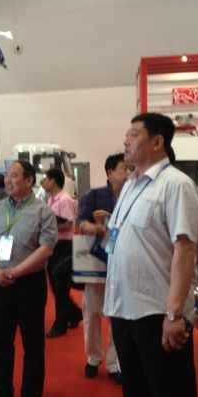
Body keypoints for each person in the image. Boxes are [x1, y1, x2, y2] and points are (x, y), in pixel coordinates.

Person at [104, 113, 198, 397]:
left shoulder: (176, 185)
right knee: (136, 390)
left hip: (157, 312)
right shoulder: (131, 185)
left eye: (134, 134)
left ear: (157, 142)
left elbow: (184, 249)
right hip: (124, 307)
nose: (125, 140)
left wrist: (174, 314)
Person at [0, 160, 57, 397]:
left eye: (14, 176)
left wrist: (17, 271)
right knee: (0, 340)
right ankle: (3, 393)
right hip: (0, 283)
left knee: (32, 343)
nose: (8, 180)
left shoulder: (42, 211)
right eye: (7, 175)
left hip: (29, 284)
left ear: (29, 180)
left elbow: (46, 248)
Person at [78, 153, 128, 382]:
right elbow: (81, 223)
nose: (128, 173)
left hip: (124, 261)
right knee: (92, 312)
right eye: (124, 169)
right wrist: (97, 228)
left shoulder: (132, 195)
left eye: (130, 169)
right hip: (96, 260)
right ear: (110, 172)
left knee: (119, 314)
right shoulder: (94, 195)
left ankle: (114, 363)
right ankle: (93, 357)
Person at [42, 168, 82, 338]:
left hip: (64, 246)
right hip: (53, 246)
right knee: (56, 286)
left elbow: (67, 223)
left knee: (60, 287)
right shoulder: (51, 199)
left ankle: (60, 324)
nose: (43, 182)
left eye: (46, 179)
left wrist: (46, 225)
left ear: (53, 181)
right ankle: (74, 314)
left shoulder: (64, 200)